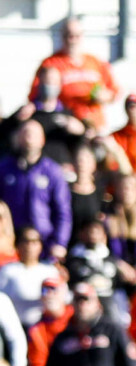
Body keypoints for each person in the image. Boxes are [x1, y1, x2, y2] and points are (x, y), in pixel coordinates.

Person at [0, 120, 72, 261]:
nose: (28, 139)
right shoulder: (4, 168)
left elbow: (63, 211)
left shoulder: (52, 171)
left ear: (42, 140)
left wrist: (60, 242)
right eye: (25, 133)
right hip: (10, 245)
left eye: (33, 134)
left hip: (44, 245)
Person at [33, 16, 120, 130]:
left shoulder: (95, 62)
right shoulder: (51, 63)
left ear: (82, 36)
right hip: (66, 124)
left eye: (76, 36)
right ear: (62, 36)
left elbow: (115, 91)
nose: (72, 40)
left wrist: (105, 96)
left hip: (94, 124)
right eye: (68, 35)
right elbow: (34, 95)